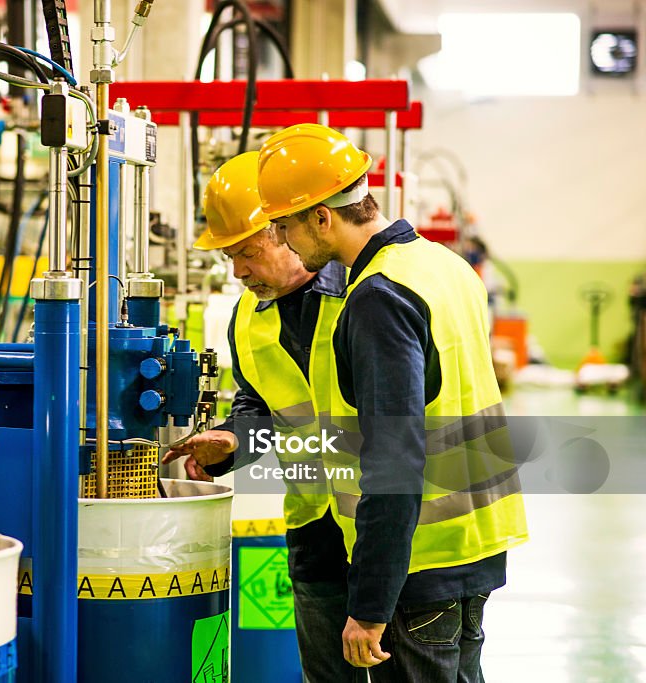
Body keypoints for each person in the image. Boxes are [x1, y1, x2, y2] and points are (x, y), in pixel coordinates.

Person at [257, 123, 529, 681]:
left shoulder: (378, 298)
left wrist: (370, 605)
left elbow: (394, 460)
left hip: (417, 561)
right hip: (476, 544)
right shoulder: (445, 266)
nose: (285, 242)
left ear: (322, 217)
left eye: (285, 226)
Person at [161, 151, 365, 683]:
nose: (239, 271)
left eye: (247, 252)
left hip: (385, 527)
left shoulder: (363, 294)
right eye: (230, 257)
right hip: (315, 529)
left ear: (287, 232)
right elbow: (259, 405)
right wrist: (232, 439)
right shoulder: (248, 317)